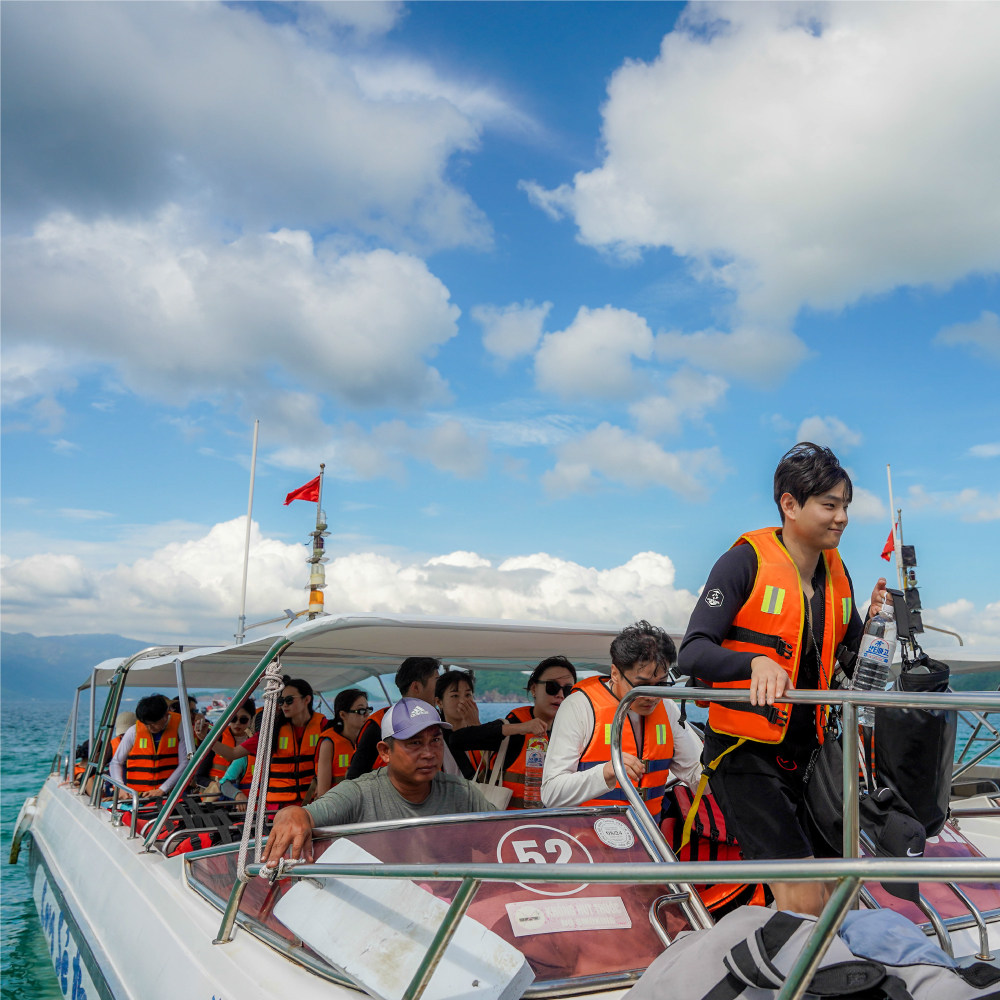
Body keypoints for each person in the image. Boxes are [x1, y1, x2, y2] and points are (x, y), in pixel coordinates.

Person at [677, 442, 880, 917]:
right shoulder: (742, 562)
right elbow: (693, 650)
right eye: (829, 505)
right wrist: (752, 663)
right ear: (789, 504)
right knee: (803, 891)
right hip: (745, 753)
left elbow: (848, 654)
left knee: (838, 889)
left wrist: (877, 623)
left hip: (811, 754)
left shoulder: (838, 573)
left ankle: (833, 979)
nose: (842, 517)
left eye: (845, 506)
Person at [263, 699, 494, 866]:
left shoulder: (462, 793)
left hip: (451, 915)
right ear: (385, 752)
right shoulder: (359, 793)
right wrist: (291, 815)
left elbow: (500, 840)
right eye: (414, 743)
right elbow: (302, 814)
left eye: (435, 740)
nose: (429, 753)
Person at [541, 623, 703, 817]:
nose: (651, 696)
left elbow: (697, 774)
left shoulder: (667, 708)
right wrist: (606, 772)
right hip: (586, 838)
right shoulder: (578, 707)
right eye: (641, 685)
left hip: (648, 838)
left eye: (660, 684)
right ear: (615, 674)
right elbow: (551, 794)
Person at [448, 656, 572, 808]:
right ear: (534, 689)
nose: (560, 694)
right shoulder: (513, 729)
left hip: (552, 826)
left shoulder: (572, 733)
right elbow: (457, 740)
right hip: (508, 827)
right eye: (552, 687)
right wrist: (521, 728)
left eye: (567, 689)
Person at [210, 677, 326, 807]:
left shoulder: (324, 727)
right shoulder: (270, 733)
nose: (284, 705)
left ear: (307, 700)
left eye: (289, 700)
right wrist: (207, 738)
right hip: (277, 809)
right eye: (281, 701)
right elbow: (231, 754)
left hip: (312, 804)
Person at [346, 657, 441, 779]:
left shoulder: (440, 721)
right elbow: (355, 775)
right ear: (416, 687)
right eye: (438, 683)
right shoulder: (379, 724)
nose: (441, 689)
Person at [110, 694, 189, 798]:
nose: (150, 727)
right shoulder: (133, 731)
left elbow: (185, 762)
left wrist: (163, 789)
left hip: (169, 794)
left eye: (154, 723)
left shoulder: (181, 727)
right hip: (137, 795)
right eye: (146, 724)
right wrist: (120, 787)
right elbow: (116, 762)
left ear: (166, 715)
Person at [315, 688, 370, 796]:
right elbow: (323, 792)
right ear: (343, 715)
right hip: (340, 806)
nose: (366, 714)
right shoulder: (329, 744)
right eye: (361, 711)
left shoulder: (371, 741)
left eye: (368, 710)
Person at [435, 669, 485, 777]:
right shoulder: (433, 738)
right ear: (439, 702)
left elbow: (494, 767)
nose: (463, 701)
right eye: (455, 696)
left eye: (468, 695)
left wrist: (477, 728)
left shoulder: (488, 734)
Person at [207, 698, 256, 782]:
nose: (237, 723)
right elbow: (200, 776)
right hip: (216, 791)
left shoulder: (256, 742)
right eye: (233, 718)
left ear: (251, 720)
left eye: (243, 720)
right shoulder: (218, 738)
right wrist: (211, 785)